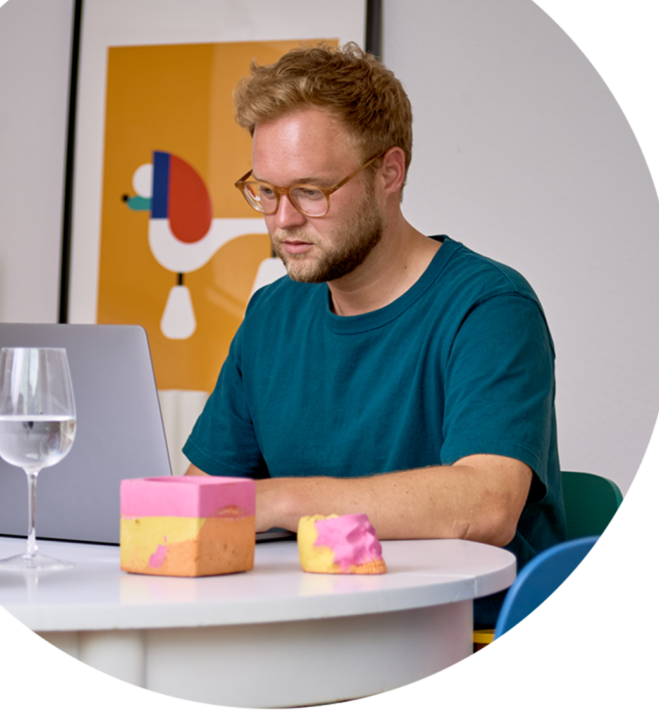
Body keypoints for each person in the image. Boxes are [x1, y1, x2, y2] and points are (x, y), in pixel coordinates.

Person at [182, 42, 565, 628]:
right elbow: (201, 502)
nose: (282, 219)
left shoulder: (489, 307)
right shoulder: (271, 314)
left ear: (390, 171)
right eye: (265, 190)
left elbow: (487, 504)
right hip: (299, 631)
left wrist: (281, 501)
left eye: (311, 191)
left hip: (452, 635)